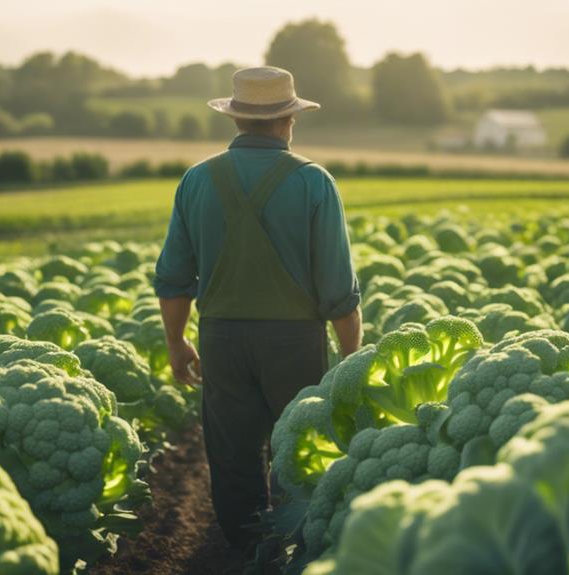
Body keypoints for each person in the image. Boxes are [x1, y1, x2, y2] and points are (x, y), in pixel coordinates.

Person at [153, 66, 362, 555]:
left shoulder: (196, 180)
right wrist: (349, 354)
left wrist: (176, 341)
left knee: (231, 455)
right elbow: (338, 288)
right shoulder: (315, 182)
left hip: (220, 338)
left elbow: (173, 277)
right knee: (297, 450)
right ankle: (291, 550)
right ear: (288, 120)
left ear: (237, 120)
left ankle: (247, 556)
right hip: (295, 342)